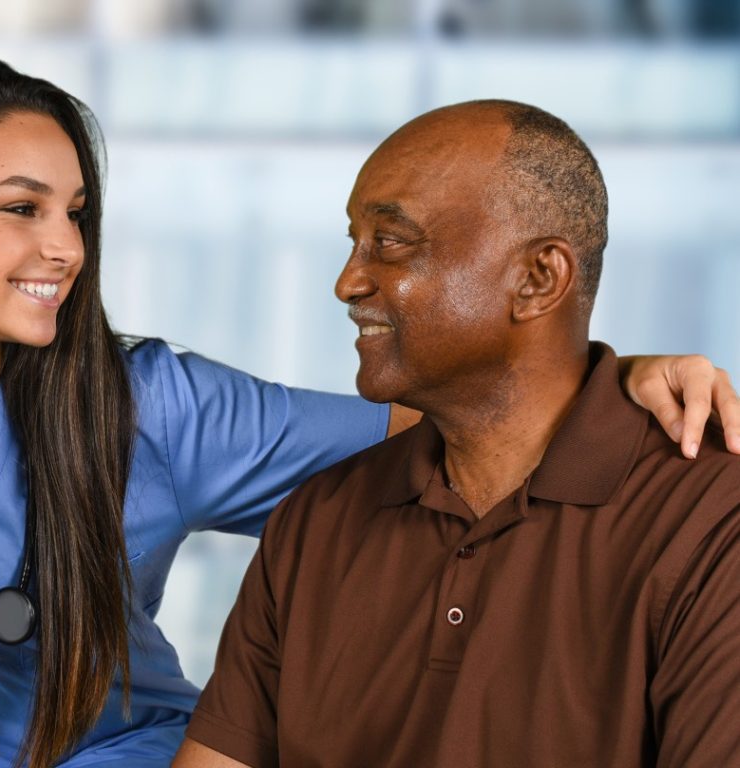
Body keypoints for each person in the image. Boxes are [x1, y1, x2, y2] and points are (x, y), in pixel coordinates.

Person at [0, 61, 737, 768]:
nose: (67, 248)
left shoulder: (150, 402)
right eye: (22, 208)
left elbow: (471, 418)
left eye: (77, 213)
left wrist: (614, 370)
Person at [174, 100, 740, 768]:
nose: (348, 281)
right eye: (354, 243)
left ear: (538, 279)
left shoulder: (711, 521)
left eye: (389, 242)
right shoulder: (315, 522)